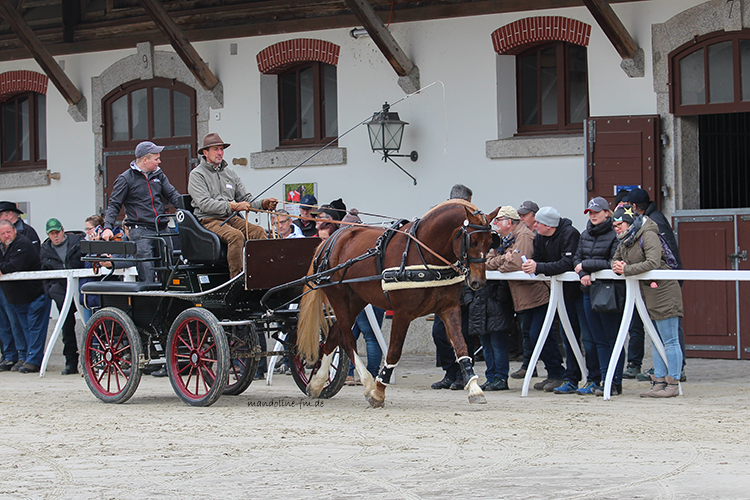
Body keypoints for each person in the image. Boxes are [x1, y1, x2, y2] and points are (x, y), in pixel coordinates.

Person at [488, 206, 566, 392]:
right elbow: (488, 262)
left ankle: (557, 373)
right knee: (534, 335)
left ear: (509, 222)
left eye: (498, 220)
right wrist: (503, 259)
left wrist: (501, 264)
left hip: (536, 294)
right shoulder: (505, 239)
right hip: (523, 297)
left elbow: (516, 264)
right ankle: (554, 373)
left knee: (539, 334)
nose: (495, 224)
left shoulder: (523, 236)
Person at [612, 205, 684, 398]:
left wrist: (626, 270)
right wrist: (617, 266)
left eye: (619, 224)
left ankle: (673, 382)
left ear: (629, 222)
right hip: (649, 293)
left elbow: (653, 262)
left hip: (664, 290)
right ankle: (659, 381)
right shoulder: (625, 239)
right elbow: (615, 259)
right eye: (614, 226)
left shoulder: (648, 234)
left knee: (670, 339)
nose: (617, 229)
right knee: (656, 338)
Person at [188, 133, 278, 278]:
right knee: (235, 236)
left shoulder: (230, 173)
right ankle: (236, 279)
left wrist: (263, 204)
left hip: (231, 218)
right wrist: (233, 206)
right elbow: (205, 204)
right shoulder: (197, 175)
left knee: (258, 231)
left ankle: (263, 274)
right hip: (209, 220)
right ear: (205, 152)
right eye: (215, 149)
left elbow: (246, 199)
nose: (220, 153)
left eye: (221, 149)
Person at [522, 206, 589, 394]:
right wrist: (533, 265)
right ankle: (571, 378)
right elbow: (538, 259)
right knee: (567, 337)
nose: (534, 225)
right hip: (560, 294)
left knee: (587, 337)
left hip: (578, 292)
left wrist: (538, 267)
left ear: (549, 225)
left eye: (538, 223)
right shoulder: (540, 237)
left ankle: (592, 377)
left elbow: (567, 263)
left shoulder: (570, 234)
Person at [623, 188, 686, 381]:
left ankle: (675, 373)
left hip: (663, 283)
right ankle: (663, 375)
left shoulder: (651, 224)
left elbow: (658, 258)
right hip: (659, 282)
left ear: (634, 206)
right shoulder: (651, 219)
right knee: (661, 333)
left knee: (670, 333)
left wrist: (627, 269)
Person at [101, 141, 181, 283]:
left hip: (162, 228)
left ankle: (168, 295)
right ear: (145, 160)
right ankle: (148, 296)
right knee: (146, 271)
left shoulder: (159, 175)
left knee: (168, 271)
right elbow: (114, 204)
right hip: (141, 231)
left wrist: (189, 210)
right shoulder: (125, 178)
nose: (159, 162)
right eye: (156, 159)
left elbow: (173, 195)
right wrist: (108, 227)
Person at [573, 197, 620, 395]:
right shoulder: (585, 234)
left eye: (596, 212)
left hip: (608, 291)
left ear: (606, 213)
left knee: (611, 338)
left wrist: (585, 266)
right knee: (596, 339)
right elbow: (577, 258)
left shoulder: (614, 234)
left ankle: (613, 381)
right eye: (590, 213)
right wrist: (583, 273)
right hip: (589, 290)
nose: (593, 216)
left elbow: (612, 261)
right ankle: (602, 379)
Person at [430, 184, 475, 391]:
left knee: (461, 333)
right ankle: (450, 372)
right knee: (439, 334)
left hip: (463, 286)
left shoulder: (472, 222)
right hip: (442, 285)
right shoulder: (439, 219)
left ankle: (463, 374)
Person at [0, 220, 51, 374]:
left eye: (8, 232)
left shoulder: (23, 243)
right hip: (17, 297)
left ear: (15, 230)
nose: (6, 235)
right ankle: (26, 358)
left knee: (35, 329)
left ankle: (34, 361)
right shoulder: (3, 247)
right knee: (23, 329)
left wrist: (2, 268)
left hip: (35, 294)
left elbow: (14, 266)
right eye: (2, 233)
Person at [40, 218, 85, 375]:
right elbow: (44, 273)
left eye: (57, 232)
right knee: (67, 328)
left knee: (89, 323)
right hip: (60, 291)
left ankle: (92, 360)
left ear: (62, 230)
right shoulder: (45, 250)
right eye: (52, 233)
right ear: (48, 235)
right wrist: (50, 291)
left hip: (80, 288)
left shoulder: (77, 242)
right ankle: (70, 363)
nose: (55, 236)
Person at [510, 199, 540, 379]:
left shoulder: (527, 235)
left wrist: (504, 261)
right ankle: (529, 365)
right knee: (526, 329)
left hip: (537, 289)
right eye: (519, 215)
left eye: (524, 215)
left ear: (534, 216)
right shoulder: (518, 234)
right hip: (524, 292)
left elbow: (515, 261)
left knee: (537, 332)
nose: (521, 218)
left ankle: (552, 370)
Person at [0, 202, 29, 372]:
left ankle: (21, 355)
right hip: (4, 286)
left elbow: (16, 263)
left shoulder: (24, 235)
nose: (5, 235)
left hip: (18, 288)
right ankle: (9, 355)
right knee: (4, 322)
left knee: (15, 322)